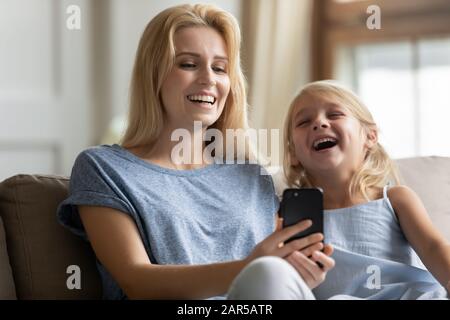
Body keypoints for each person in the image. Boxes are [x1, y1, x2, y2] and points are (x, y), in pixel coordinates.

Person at [57, 4, 334, 300]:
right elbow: (136, 281)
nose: (209, 79)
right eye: (188, 64)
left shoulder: (251, 174)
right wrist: (252, 268)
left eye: (220, 68)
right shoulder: (104, 168)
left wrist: (297, 273)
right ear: (154, 75)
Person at [273, 80, 449, 299]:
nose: (319, 123)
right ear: (293, 155)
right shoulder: (287, 215)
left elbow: (433, 247)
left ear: (370, 136)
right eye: (304, 121)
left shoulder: (394, 199)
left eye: (335, 114)